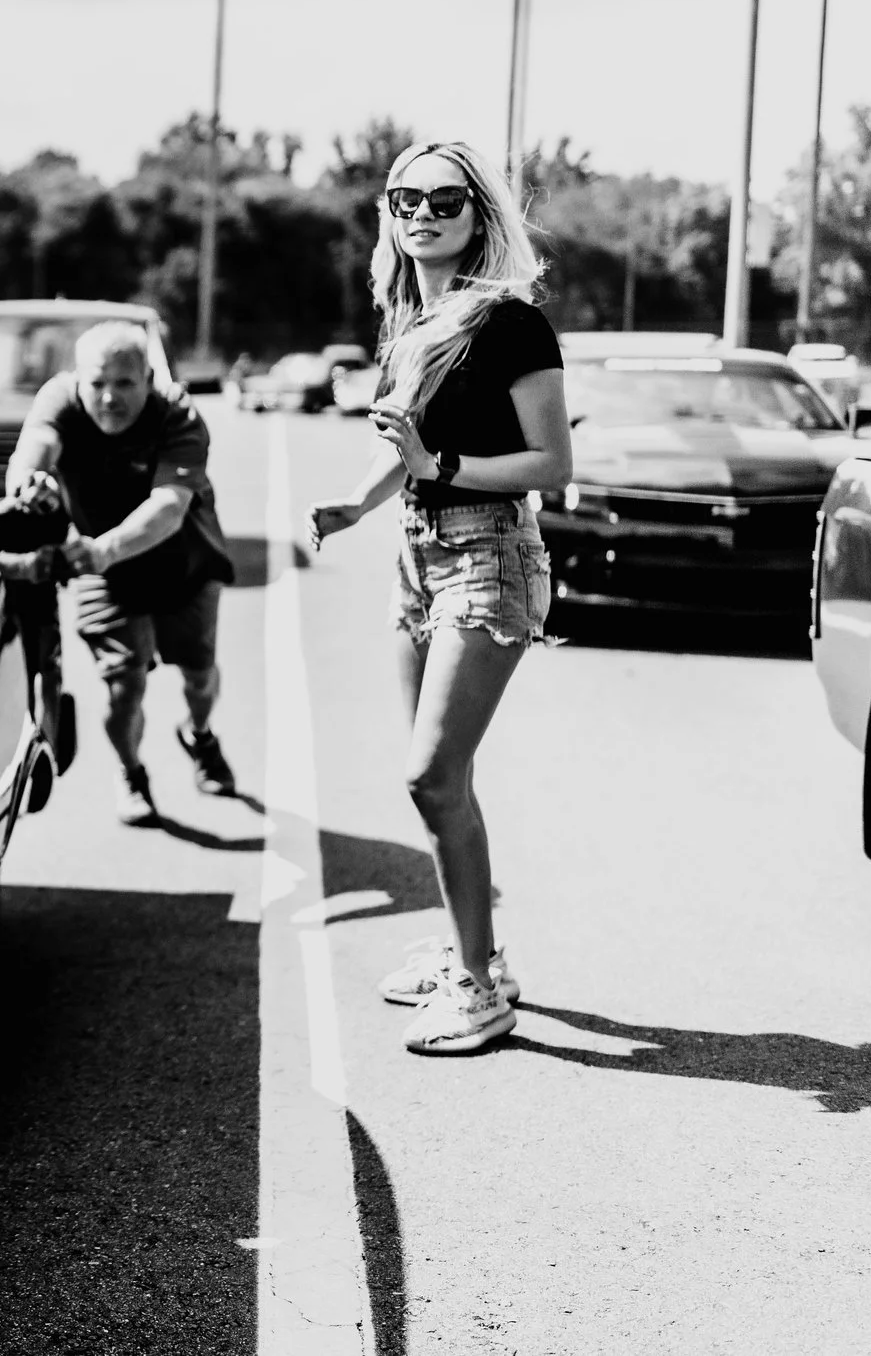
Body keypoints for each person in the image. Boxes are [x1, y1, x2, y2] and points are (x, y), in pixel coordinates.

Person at [305, 139, 571, 1056]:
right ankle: (480, 956)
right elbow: (401, 447)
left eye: (444, 199)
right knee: (439, 784)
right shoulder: (411, 315)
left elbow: (552, 464)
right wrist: (356, 501)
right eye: (403, 197)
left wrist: (439, 466)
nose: (421, 212)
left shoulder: (509, 323)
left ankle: (478, 985)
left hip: (487, 554)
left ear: (479, 215)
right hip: (418, 554)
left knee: (430, 773)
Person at [6, 321, 237, 821]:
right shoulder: (59, 400)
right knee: (122, 684)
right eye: (98, 383)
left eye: (125, 383)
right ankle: (131, 771)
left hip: (182, 561)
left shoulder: (177, 411)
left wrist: (103, 550)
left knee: (198, 674)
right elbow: (31, 453)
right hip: (103, 569)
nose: (110, 397)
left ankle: (199, 734)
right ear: (79, 379)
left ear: (150, 378)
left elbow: (169, 507)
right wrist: (30, 485)